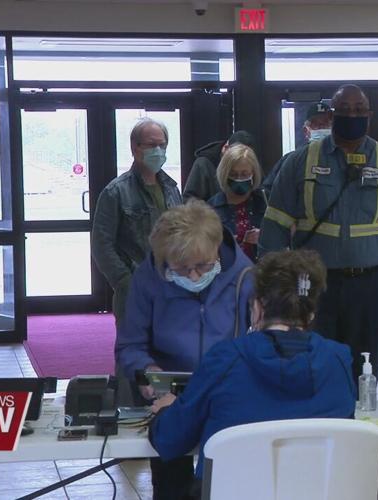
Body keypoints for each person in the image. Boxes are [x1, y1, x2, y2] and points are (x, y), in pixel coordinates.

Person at [148, 249, 356, 497]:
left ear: (257, 307)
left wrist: (168, 410)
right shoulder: (339, 360)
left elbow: (169, 440)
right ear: (311, 313)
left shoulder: (225, 359)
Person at [260, 84, 378, 382]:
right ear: (332, 115)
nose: (353, 115)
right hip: (314, 285)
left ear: (370, 115)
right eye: (345, 110)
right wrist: (270, 287)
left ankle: (360, 425)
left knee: (366, 368)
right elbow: (274, 227)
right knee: (313, 363)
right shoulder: (300, 162)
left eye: (359, 110)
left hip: (372, 284)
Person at [116, 200, 254, 500]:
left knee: (228, 486)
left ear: (217, 249)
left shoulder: (245, 276)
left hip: (226, 398)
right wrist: (147, 373)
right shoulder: (148, 277)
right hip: (169, 399)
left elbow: (262, 338)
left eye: (202, 266)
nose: (193, 276)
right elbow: (130, 345)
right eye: (181, 268)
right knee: (171, 488)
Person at [91, 117, 183, 330]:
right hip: (135, 290)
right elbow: (101, 246)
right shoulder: (116, 192)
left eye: (162, 145)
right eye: (151, 145)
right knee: (135, 357)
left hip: (173, 288)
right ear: (135, 147)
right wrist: (126, 282)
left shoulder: (171, 189)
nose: (158, 150)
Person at [207, 144, 267, 262]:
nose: (239, 179)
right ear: (225, 174)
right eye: (233, 175)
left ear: (253, 174)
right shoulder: (210, 209)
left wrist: (264, 237)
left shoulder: (265, 202)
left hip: (262, 272)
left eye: (245, 174)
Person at [262, 100, 333, 194]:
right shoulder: (291, 160)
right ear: (306, 131)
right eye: (315, 124)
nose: (321, 128)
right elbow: (268, 193)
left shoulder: (342, 159)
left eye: (326, 124)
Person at [183, 130, 257, 201]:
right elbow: (190, 199)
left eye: (244, 174)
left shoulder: (248, 161)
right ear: (225, 148)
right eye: (233, 174)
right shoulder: (203, 164)